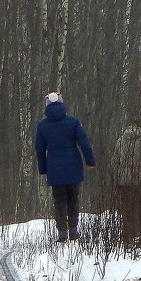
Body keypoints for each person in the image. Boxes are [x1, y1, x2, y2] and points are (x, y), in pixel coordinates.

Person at [34, 92, 96, 242]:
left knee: (59, 200)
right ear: (62, 103)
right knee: (73, 199)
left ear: (46, 105)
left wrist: (42, 168)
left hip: (55, 167)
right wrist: (90, 161)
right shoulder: (73, 122)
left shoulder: (42, 126)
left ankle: (62, 233)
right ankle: (73, 231)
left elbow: (40, 149)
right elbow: (84, 143)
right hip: (73, 165)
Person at [112, 111, 141, 244]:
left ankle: (127, 237)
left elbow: (114, 162)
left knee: (127, 211)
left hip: (123, 182)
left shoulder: (121, 140)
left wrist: (119, 176)